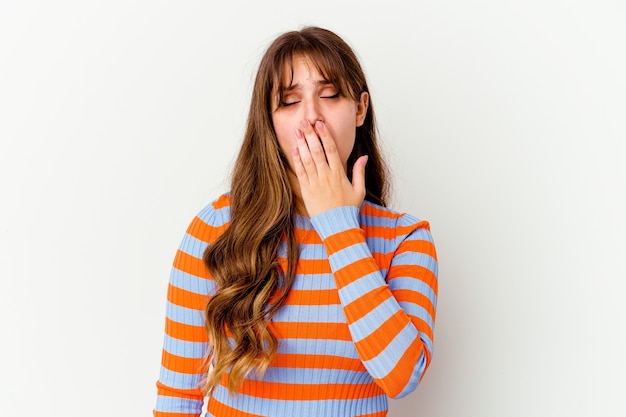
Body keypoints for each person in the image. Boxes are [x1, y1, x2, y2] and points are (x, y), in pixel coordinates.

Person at [154, 26, 438, 417]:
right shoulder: (215, 231)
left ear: (360, 109)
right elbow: (176, 399)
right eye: (289, 102)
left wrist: (338, 226)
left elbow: (402, 378)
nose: (311, 117)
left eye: (330, 95)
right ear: (269, 122)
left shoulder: (404, 240)